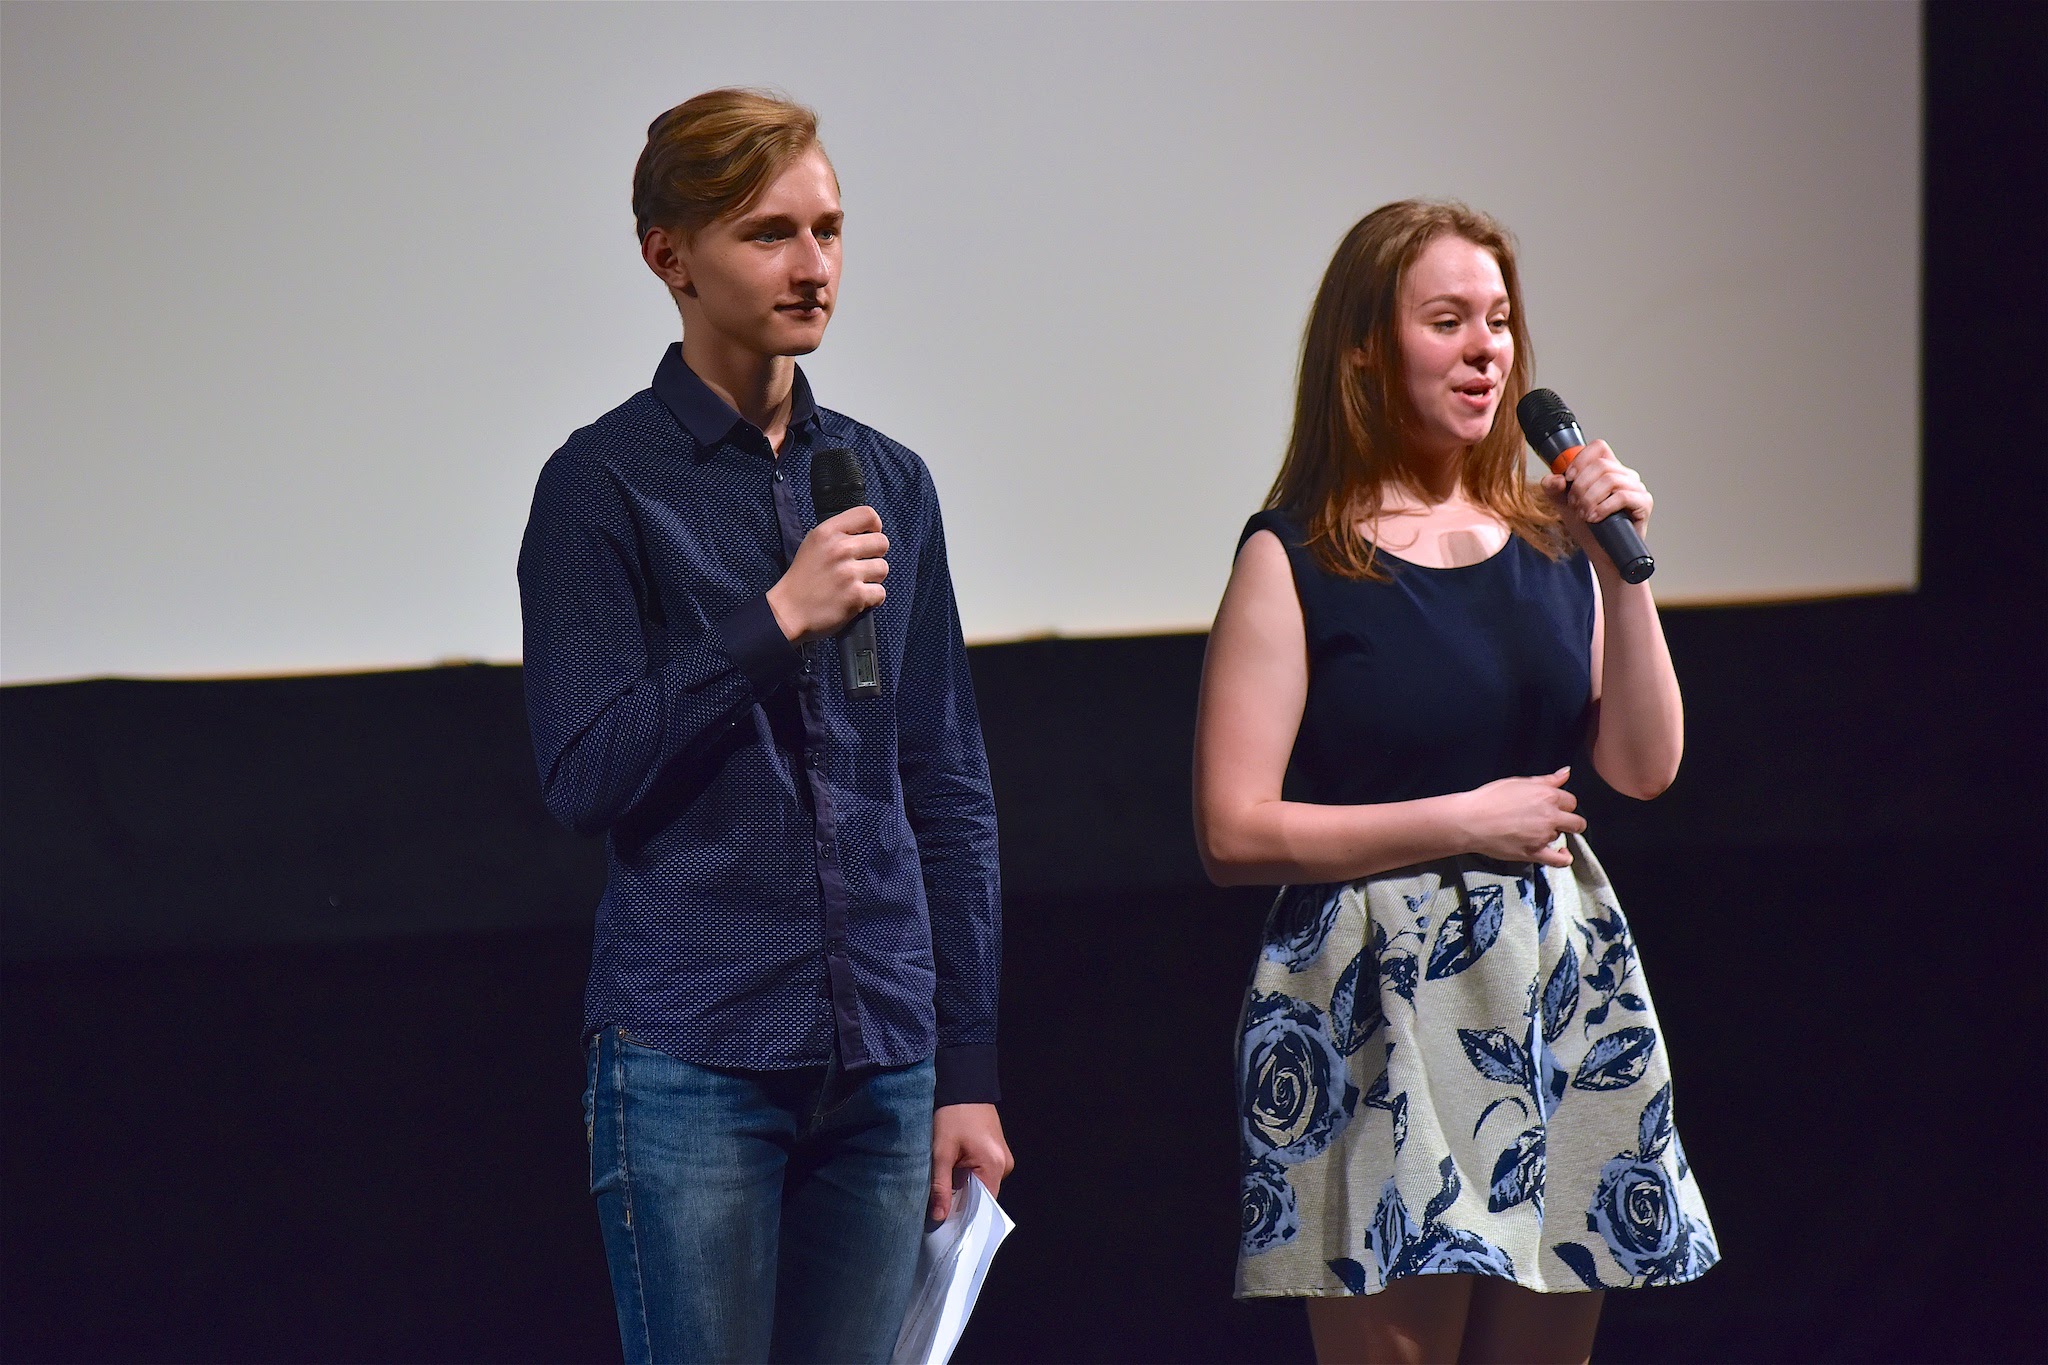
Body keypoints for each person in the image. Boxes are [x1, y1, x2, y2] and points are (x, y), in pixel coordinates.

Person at [516, 89, 1011, 1364]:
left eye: (828, 230)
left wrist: (964, 1065)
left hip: (883, 1058)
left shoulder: (887, 480)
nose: (811, 266)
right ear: (668, 256)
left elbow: (944, 783)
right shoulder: (601, 485)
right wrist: (773, 620)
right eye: (767, 234)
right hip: (695, 1053)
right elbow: (582, 772)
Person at [1193, 201, 1718, 1365]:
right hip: (1372, 991)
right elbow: (1230, 830)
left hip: (1546, 982)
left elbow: (1643, 767)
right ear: (1362, 348)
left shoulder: (1554, 544)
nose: (1485, 349)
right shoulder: (1294, 554)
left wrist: (1622, 571)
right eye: (1445, 321)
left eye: (1498, 321)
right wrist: (1461, 820)